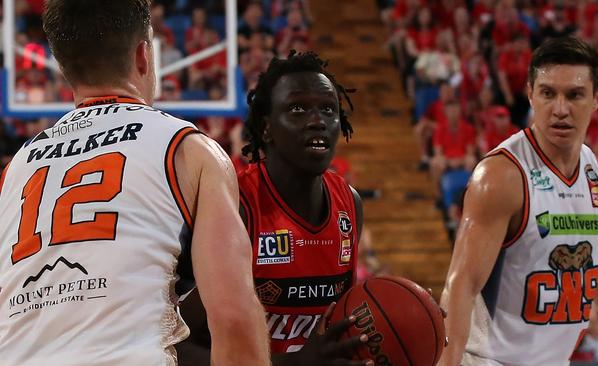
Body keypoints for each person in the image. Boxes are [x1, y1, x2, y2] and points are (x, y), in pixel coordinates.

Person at [0, 1, 270, 365]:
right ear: (144, 55)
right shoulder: (189, 150)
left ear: (64, 69)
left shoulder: (15, 170)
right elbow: (234, 317)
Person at [439, 36, 598, 366]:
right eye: (548, 93)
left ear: (597, 98)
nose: (560, 109)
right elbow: (462, 285)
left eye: (574, 94)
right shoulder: (502, 176)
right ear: (530, 94)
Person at [238, 51, 371, 366]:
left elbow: (336, 326)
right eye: (298, 108)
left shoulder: (349, 205)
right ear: (266, 128)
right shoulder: (237, 204)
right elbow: (183, 346)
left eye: (328, 109)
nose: (317, 121)